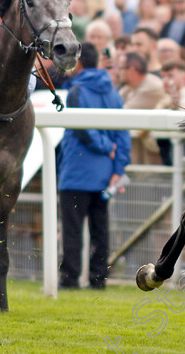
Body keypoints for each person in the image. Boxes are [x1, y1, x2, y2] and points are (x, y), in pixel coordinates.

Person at [57, 42, 130, 290]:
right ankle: (98, 280)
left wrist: (104, 146)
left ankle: (70, 279)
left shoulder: (76, 91)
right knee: (100, 231)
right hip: (106, 174)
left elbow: (82, 130)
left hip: (76, 173)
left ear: (77, 62)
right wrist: (118, 170)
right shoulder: (113, 93)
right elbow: (123, 136)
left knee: (72, 231)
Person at [118, 51, 166, 165]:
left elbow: (120, 114)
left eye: (120, 68)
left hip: (150, 162)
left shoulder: (151, 88)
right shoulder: (130, 87)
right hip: (139, 156)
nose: (118, 72)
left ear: (132, 69)